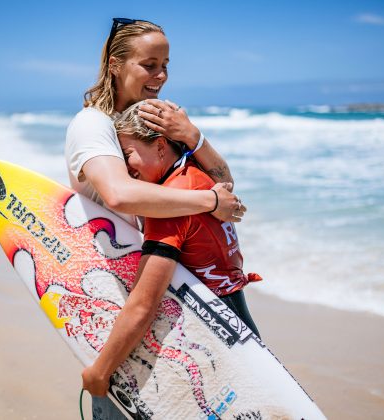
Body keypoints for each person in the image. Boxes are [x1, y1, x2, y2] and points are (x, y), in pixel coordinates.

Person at [65, 18, 246, 419]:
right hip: (119, 297)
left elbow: (224, 187)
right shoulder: (93, 124)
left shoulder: (157, 121)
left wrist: (194, 137)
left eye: (166, 64)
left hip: (161, 303)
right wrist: (207, 202)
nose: (161, 76)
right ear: (115, 64)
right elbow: (120, 194)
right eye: (149, 64)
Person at [81, 101, 262, 404]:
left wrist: (101, 370)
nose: (124, 169)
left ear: (161, 147)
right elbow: (224, 172)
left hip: (214, 344)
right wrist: (195, 136)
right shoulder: (202, 178)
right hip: (242, 329)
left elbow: (143, 303)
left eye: (127, 155)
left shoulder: (171, 204)